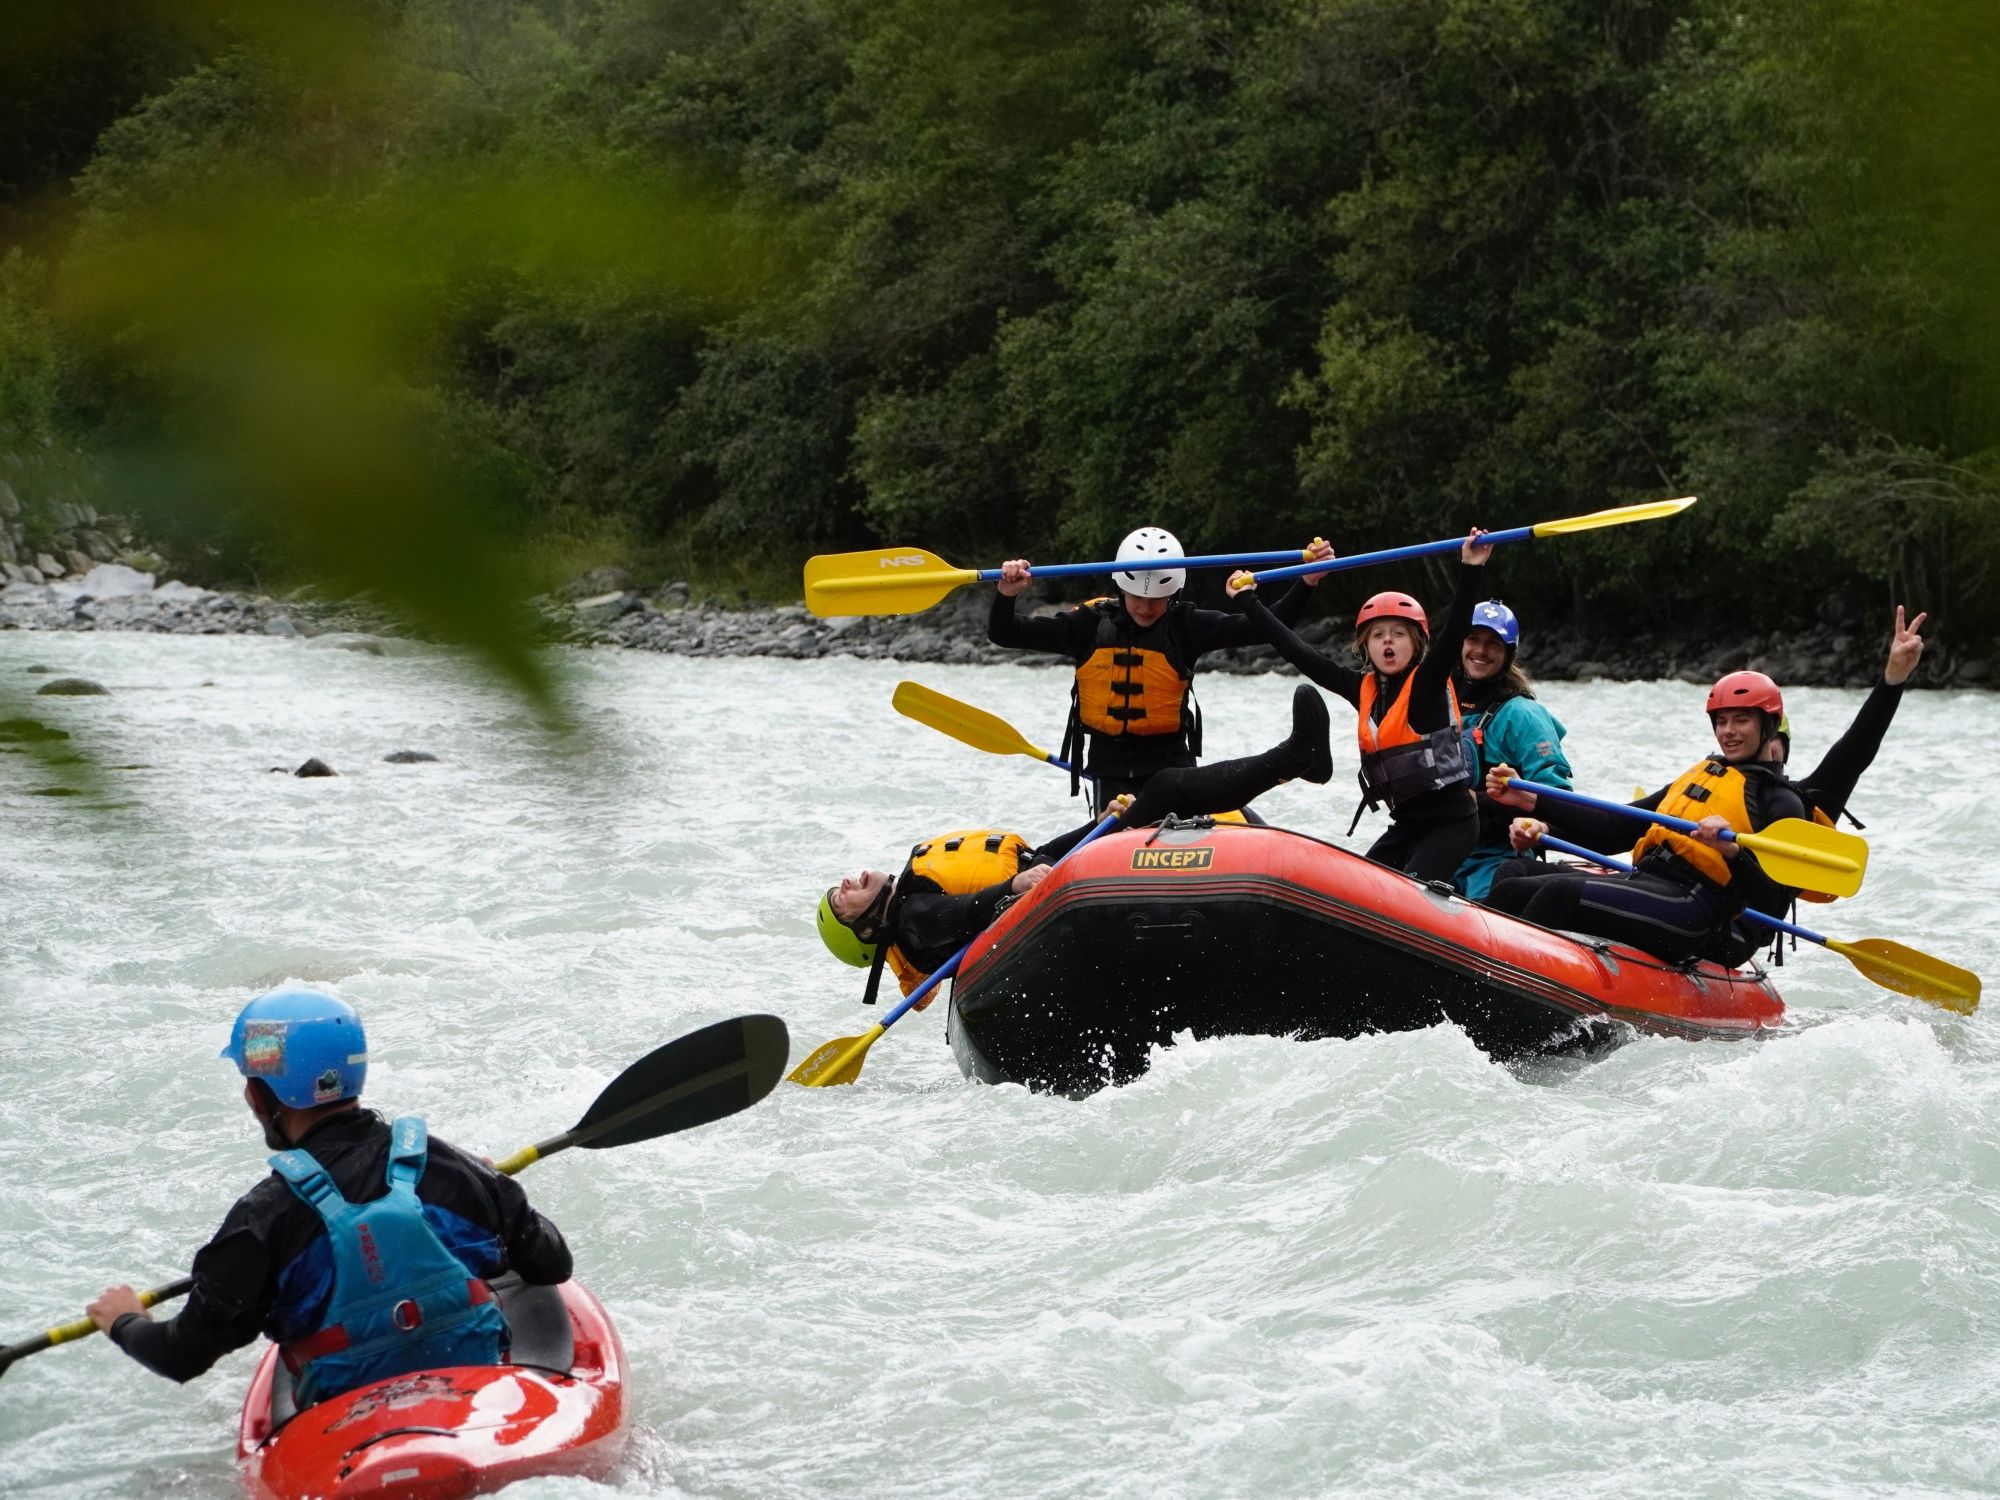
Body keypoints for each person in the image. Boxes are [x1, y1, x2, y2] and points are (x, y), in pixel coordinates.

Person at [87, 989, 571, 1407]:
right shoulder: (450, 1167)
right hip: (475, 1401)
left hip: (347, 1426)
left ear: (261, 1095)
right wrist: (497, 1189)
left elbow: (181, 1355)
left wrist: (125, 1322)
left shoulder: (261, 1219)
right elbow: (552, 1264)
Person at [818, 685, 1335, 1002]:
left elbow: (1035, 857)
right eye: (841, 900)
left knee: (1173, 798)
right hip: (1035, 911)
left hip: (1049, 877)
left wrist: (1106, 824)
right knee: (1170, 789)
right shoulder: (912, 918)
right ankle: (1296, 759)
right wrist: (1014, 887)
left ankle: (1296, 769)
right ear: (867, 927)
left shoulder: (913, 887)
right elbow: (965, 912)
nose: (845, 884)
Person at [990, 526, 1328, 815]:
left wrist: (1307, 582)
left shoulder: (1186, 626)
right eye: (1136, 595)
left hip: (1173, 766)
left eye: (1158, 598)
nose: (1146, 606)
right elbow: (1005, 633)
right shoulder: (1086, 625)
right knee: (1136, 814)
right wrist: (1006, 594)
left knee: (1170, 787)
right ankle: (1290, 757)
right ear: (1120, 587)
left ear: (1175, 593)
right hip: (1111, 776)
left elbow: (1267, 627)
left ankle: (1292, 756)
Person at [1483, 671, 1809, 963]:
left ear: (1767, 724)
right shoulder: (1704, 775)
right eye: (1721, 722)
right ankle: (1476, 968)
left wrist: (1733, 853)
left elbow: (1771, 901)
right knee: (1513, 885)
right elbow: (1616, 826)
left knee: (1560, 896)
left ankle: (1497, 984)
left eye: (1741, 720)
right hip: (1649, 881)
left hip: (1695, 908)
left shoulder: (1782, 801)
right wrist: (1533, 800)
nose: (1728, 731)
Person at [1224, 530, 1494, 881]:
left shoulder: (1427, 681)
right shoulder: (1362, 688)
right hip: (1406, 825)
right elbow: (1298, 652)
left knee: (1403, 898)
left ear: (1415, 643)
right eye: (1379, 635)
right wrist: (1249, 603)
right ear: (1366, 646)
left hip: (1451, 825)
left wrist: (1471, 567)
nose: (1388, 642)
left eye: (1398, 634)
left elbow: (1456, 628)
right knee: (1358, 884)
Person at [1702, 605, 1927, 964]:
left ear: (1772, 737)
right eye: (1724, 724)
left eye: (1774, 743)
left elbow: (1856, 748)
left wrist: (1893, 679)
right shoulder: (1710, 780)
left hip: (1734, 923)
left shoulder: (1805, 798)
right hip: (1687, 895)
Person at [1452, 599, 1573, 899]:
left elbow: (1556, 797)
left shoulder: (1523, 716)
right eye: (1473, 639)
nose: (1480, 651)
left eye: (1493, 643)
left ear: (1507, 654)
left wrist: (1529, 825)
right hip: (1439, 842)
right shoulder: (1439, 698)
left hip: (1495, 854)